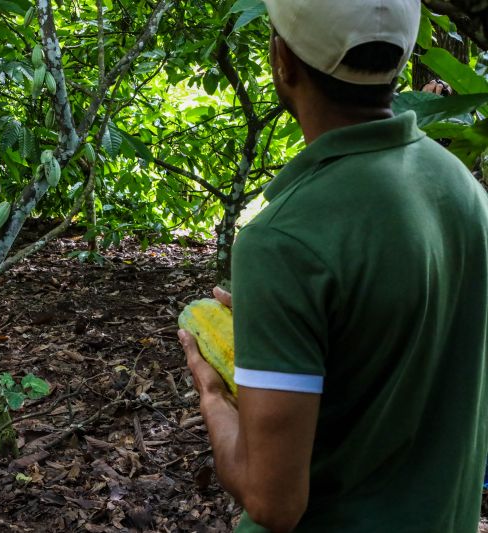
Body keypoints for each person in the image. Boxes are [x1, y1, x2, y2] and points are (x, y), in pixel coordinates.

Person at [179, 1, 488, 532]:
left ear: (282, 60)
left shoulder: (284, 240)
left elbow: (273, 503)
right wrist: (283, 326)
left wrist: (213, 395)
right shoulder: (460, 187)